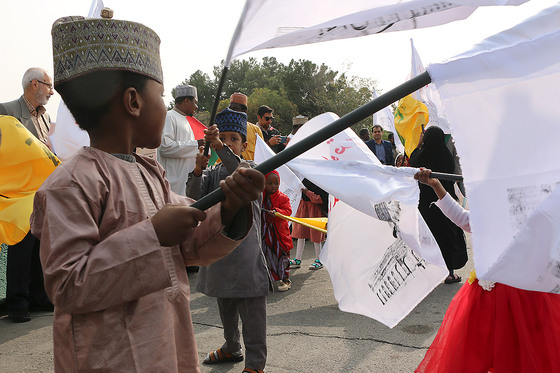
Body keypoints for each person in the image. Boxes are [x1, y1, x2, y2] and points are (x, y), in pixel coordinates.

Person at [31, 11, 265, 372]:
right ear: (133, 102)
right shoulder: (69, 184)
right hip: (107, 358)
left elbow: (191, 241)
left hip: (167, 346)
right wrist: (152, 234)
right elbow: (68, 285)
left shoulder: (149, 170)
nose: (165, 105)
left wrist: (230, 206)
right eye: (161, 95)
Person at [414, 168, 560, 373]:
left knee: (527, 355)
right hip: (490, 294)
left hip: (530, 295)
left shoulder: (541, 205)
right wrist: (436, 186)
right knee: (479, 355)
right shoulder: (494, 206)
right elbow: (464, 219)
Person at [187, 108, 269, 373]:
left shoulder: (251, 169)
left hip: (246, 254)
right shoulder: (213, 171)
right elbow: (194, 200)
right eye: (223, 138)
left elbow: (239, 170)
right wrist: (198, 170)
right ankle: (232, 347)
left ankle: (256, 364)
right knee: (225, 303)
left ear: (244, 145)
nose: (227, 142)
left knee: (252, 311)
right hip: (219, 252)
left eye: (233, 139)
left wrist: (219, 146)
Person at [0, 67, 55, 323]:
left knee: (39, 246)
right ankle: (17, 303)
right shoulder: (6, 111)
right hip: (18, 193)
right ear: (34, 84)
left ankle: (38, 298)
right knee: (20, 248)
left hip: (41, 191)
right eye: (48, 85)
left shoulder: (45, 117)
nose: (51, 91)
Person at [409, 126, 467, 284]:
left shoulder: (419, 156)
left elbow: (412, 161)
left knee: (426, 239)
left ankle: (428, 274)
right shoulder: (446, 156)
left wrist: (419, 144)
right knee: (445, 238)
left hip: (424, 207)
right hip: (444, 205)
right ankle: (449, 272)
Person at [157, 84, 199, 195]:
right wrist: (196, 145)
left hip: (185, 184)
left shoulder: (186, 121)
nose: (196, 107)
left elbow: (189, 149)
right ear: (186, 101)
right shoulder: (169, 117)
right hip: (172, 186)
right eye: (195, 102)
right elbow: (165, 147)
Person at [262, 170, 293, 291]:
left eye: (276, 183)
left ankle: (285, 279)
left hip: (279, 234)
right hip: (264, 233)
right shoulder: (260, 197)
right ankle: (266, 279)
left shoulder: (283, 198)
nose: (273, 186)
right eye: (270, 183)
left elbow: (288, 212)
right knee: (265, 255)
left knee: (282, 255)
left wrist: (277, 212)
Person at [290, 179, 328, 270]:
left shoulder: (318, 180)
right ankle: (298, 259)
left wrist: (307, 192)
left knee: (316, 235)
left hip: (315, 209)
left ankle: (319, 260)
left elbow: (321, 198)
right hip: (303, 206)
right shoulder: (302, 178)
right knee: (300, 234)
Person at [229, 92, 263, 161]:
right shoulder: (223, 128)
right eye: (230, 108)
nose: (231, 111)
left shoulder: (256, 130)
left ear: (244, 111)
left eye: (234, 108)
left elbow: (262, 153)